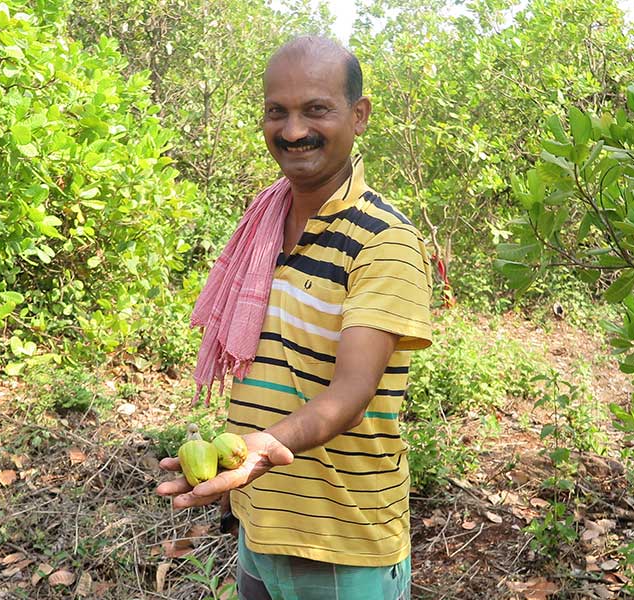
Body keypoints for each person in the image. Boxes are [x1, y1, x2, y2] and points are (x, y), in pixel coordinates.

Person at [157, 36, 433, 600]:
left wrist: (263, 446)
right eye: (276, 111)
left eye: (316, 109)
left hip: (342, 541)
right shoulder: (263, 224)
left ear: (359, 116)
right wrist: (250, 464)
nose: (291, 130)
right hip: (260, 523)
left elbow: (350, 393)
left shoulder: (385, 241)